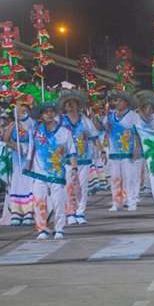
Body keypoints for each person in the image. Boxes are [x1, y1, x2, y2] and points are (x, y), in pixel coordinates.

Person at [23, 100, 78, 240]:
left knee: (58, 201)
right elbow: (20, 116)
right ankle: (42, 229)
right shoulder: (35, 130)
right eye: (45, 112)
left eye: (51, 112)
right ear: (41, 115)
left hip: (57, 173)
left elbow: (72, 151)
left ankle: (59, 228)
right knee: (39, 201)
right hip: (39, 173)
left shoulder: (64, 132)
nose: (49, 114)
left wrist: (74, 168)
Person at [59, 90, 99, 225]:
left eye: (73, 103)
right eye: (68, 104)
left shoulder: (85, 121)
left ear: (78, 105)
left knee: (82, 186)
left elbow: (94, 136)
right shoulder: (60, 121)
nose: (70, 106)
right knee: (69, 186)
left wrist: (102, 152)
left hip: (84, 158)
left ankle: (80, 212)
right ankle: (70, 212)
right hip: (67, 160)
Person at [100, 91, 142, 211]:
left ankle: (132, 202)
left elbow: (139, 133)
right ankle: (117, 202)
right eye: (115, 101)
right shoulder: (110, 116)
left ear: (126, 102)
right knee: (115, 178)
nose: (116, 103)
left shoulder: (133, 116)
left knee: (130, 178)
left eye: (119, 100)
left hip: (128, 152)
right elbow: (102, 128)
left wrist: (137, 148)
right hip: (114, 152)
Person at [0, 95, 36, 226]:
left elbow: (36, 140)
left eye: (23, 108)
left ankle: (29, 212)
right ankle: (16, 211)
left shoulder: (32, 123)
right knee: (17, 183)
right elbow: (5, 140)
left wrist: (27, 149)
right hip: (16, 158)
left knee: (28, 183)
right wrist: (15, 146)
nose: (21, 110)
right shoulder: (13, 124)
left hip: (29, 159)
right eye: (19, 107)